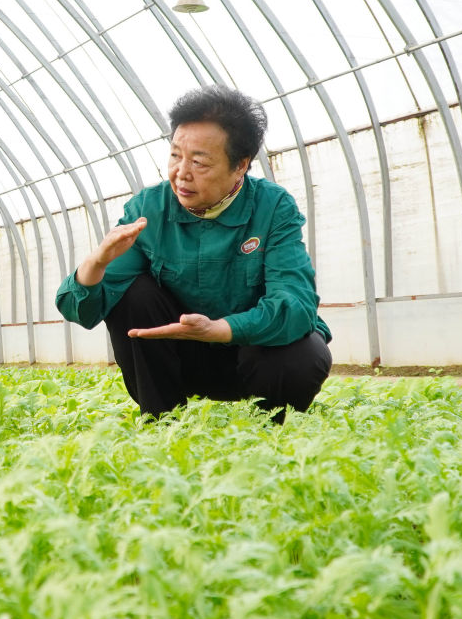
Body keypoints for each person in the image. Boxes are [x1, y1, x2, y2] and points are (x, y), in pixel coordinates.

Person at [56, 85, 332, 421]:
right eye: (175, 155)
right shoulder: (148, 208)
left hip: (251, 356)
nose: (181, 173)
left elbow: (296, 305)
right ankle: (162, 421)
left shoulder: (273, 206)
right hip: (181, 361)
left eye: (199, 161)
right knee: (132, 294)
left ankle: (271, 425)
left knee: (303, 355)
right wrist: (96, 262)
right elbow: (80, 310)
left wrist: (221, 328)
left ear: (240, 165)